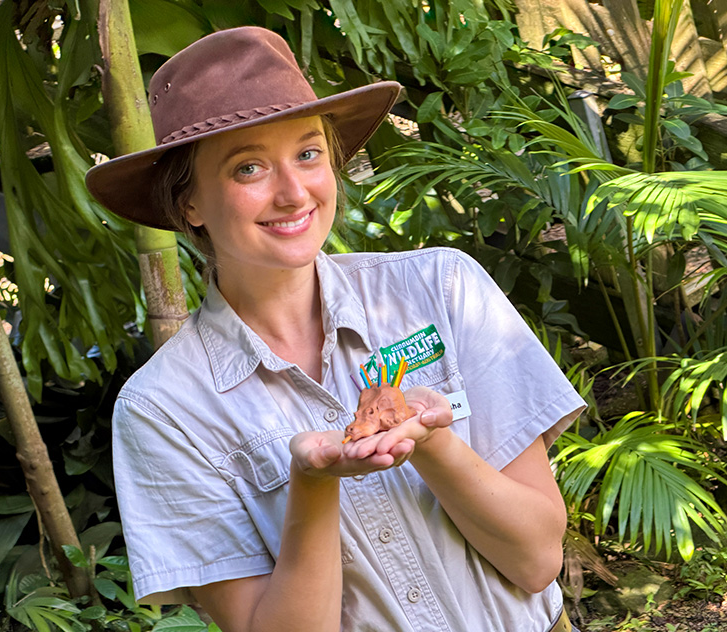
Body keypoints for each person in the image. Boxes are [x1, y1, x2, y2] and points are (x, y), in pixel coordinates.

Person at [86, 26, 585, 632]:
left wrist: (430, 443)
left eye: (308, 153)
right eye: (248, 168)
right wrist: (314, 485)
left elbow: (536, 561)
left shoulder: (441, 290)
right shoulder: (163, 410)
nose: (294, 193)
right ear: (188, 204)